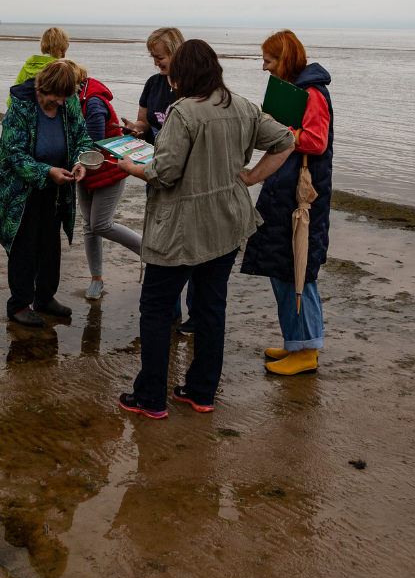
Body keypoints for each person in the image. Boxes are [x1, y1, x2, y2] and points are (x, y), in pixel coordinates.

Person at [113, 39, 294, 418]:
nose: (171, 79)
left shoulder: (184, 113)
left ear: (184, 73)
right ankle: (201, 392)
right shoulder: (242, 106)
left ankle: (150, 398)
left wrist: (131, 166)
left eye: (174, 71)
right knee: (211, 306)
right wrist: (250, 178)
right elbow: (286, 140)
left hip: (181, 228)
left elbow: (163, 173)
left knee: (157, 308)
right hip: (227, 224)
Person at [240, 30, 334, 376]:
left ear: (285, 59)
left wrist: (283, 132)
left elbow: (316, 141)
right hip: (284, 190)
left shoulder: (313, 93)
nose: (264, 67)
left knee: (299, 271)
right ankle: (296, 343)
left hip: (301, 197)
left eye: (269, 60)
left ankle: (308, 350)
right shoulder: (298, 91)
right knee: (283, 268)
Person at [0, 59, 89, 327]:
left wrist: (79, 161)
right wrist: (46, 171)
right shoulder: (20, 106)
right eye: (55, 97)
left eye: (66, 97)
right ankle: (19, 305)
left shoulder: (69, 101)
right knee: (24, 246)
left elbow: (82, 138)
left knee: (50, 245)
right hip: (22, 191)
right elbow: (13, 155)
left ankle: (45, 298)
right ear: (42, 87)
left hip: (56, 189)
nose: (61, 103)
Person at [124, 26, 196, 332]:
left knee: (192, 245)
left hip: (189, 178)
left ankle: (196, 314)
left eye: (160, 56)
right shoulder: (153, 83)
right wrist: (137, 129)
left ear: (177, 52)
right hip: (154, 172)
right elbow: (144, 122)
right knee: (163, 242)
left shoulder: (193, 86)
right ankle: (171, 310)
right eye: (153, 56)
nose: (156, 62)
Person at [74, 63, 141, 300]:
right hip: (84, 169)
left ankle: (148, 252)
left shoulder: (92, 102)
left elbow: (92, 144)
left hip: (108, 168)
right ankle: (96, 279)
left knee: (100, 224)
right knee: (88, 225)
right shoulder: (77, 98)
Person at [6, 26, 69, 107]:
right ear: (63, 46)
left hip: (26, 115)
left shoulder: (28, 66)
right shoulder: (62, 70)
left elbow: (12, 98)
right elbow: (70, 104)